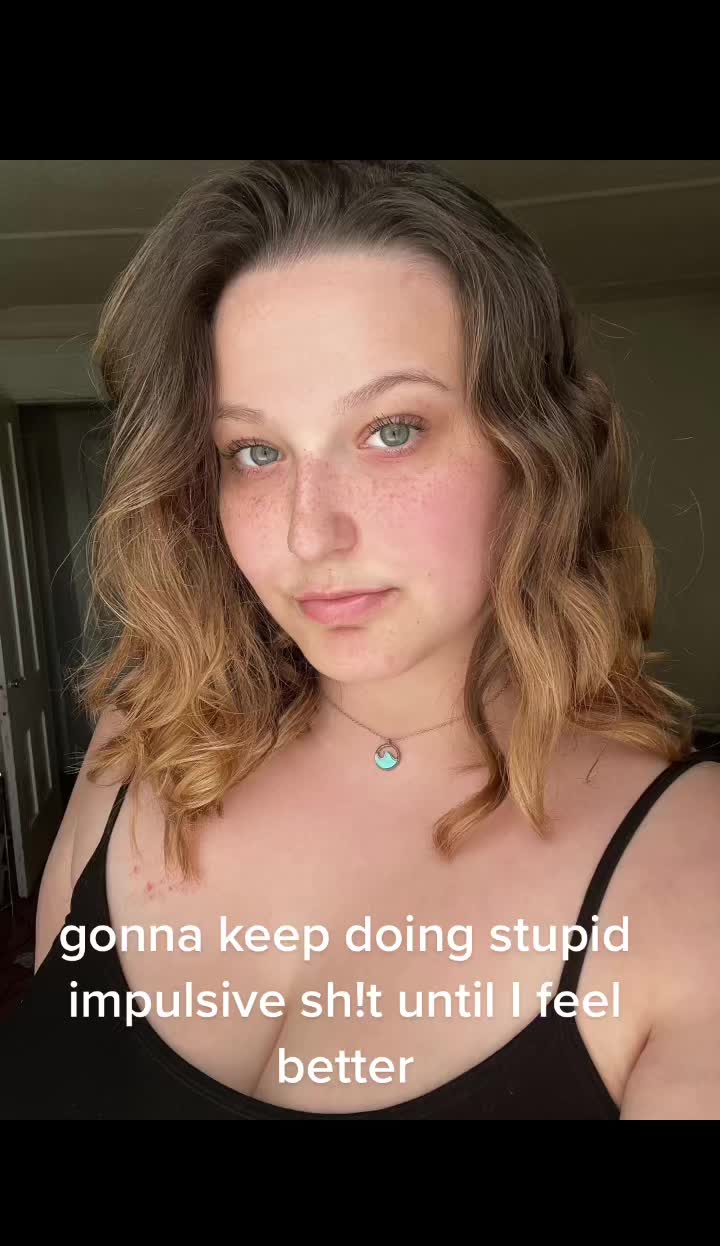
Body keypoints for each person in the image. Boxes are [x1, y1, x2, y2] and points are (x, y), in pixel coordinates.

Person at [1, 158, 718, 1121]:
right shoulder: (141, 746)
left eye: (391, 431)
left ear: (536, 451)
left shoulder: (694, 868)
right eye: (255, 451)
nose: (310, 535)